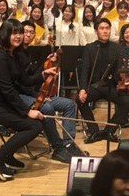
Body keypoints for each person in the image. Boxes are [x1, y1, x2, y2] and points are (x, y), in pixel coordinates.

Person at [0, 19, 45, 179]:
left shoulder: (13, 54)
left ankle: (6, 155)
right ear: (5, 34)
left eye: (20, 32)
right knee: (33, 126)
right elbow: (7, 90)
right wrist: (27, 111)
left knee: (39, 122)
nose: (18, 36)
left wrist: (43, 74)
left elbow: (25, 80)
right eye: (14, 33)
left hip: (1, 104)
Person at [18, 21, 82, 164]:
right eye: (25, 31)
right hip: (21, 96)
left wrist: (46, 64)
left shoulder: (27, 53)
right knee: (47, 108)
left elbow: (33, 76)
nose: (28, 35)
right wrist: (38, 96)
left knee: (70, 104)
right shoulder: (16, 54)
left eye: (31, 32)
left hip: (35, 94)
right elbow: (20, 83)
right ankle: (57, 147)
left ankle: (68, 144)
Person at [77, 19, 129, 143]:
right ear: (96, 31)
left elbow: (122, 68)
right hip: (95, 87)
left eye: (107, 28)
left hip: (112, 87)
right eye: (102, 28)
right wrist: (82, 89)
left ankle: (109, 131)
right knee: (80, 99)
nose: (105, 31)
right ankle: (94, 131)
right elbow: (85, 70)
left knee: (128, 102)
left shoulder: (117, 48)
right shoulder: (90, 48)